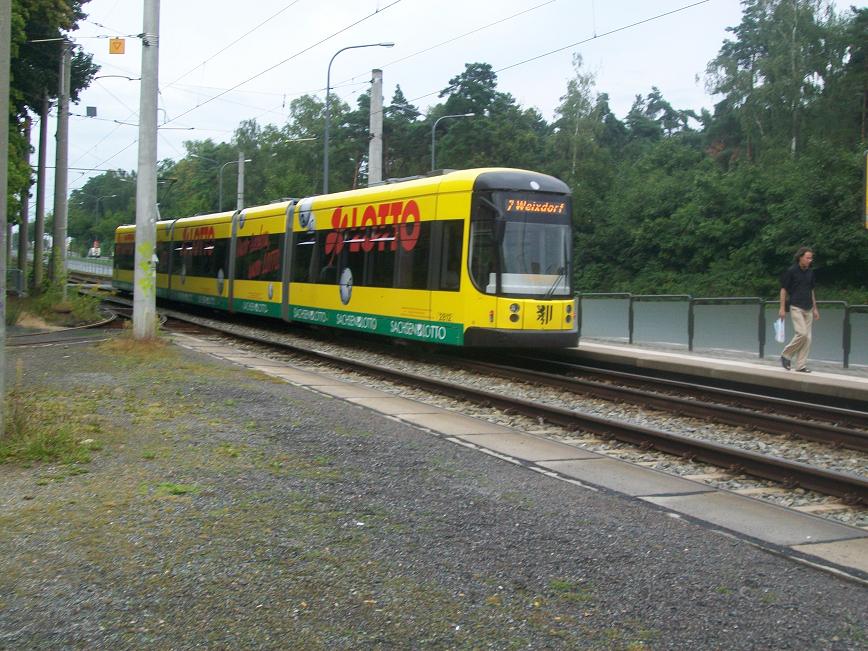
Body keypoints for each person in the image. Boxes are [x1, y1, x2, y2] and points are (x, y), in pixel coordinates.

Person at [779, 246, 820, 373]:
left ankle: (801, 365)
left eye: (811, 258)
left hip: (808, 308)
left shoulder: (810, 272)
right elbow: (783, 289)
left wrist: (815, 308)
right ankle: (786, 354)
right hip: (796, 306)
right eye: (807, 258)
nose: (810, 260)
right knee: (801, 333)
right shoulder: (791, 271)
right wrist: (781, 308)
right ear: (800, 257)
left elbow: (811, 290)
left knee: (807, 338)